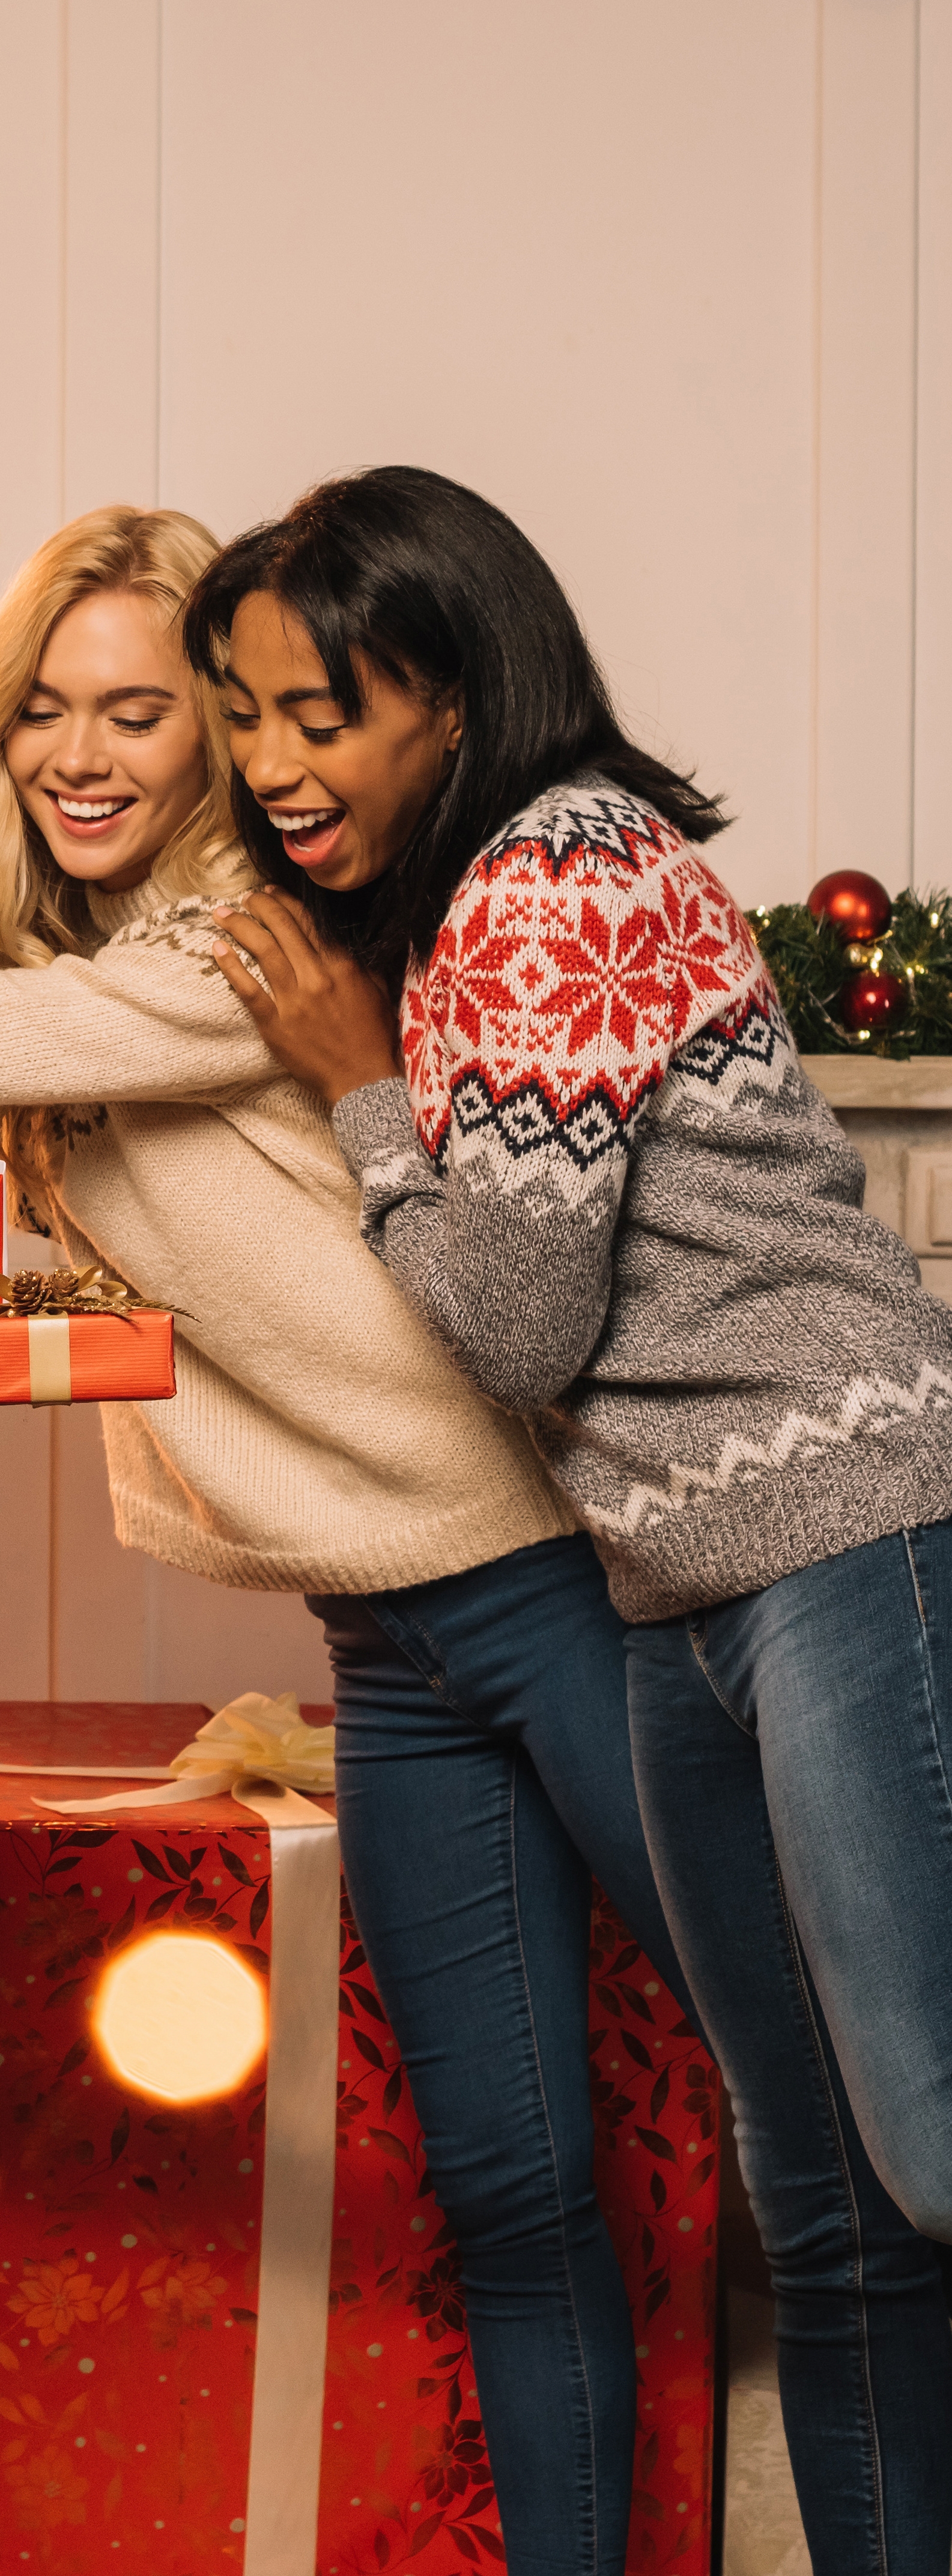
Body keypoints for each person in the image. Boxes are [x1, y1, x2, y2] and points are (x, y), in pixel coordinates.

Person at [0, 503, 691, 2576]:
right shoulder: (105, 977)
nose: (87, 757)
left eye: (149, 715)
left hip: (557, 1600)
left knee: (844, 2124)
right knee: (518, 2192)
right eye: (47, 714)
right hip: (397, 1648)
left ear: (221, 750)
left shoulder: (236, 939)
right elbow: (64, 1242)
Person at [201, 464, 952, 2576]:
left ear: (453, 693)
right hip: (678, 1586)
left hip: (839, 1532)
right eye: (245, 715)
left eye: (320, 715)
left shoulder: (556, 870)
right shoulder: (461, 911)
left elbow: (522, 1319)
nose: (272, 766)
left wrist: (362, 1088)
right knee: (820, 2197)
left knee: (929, 2143)